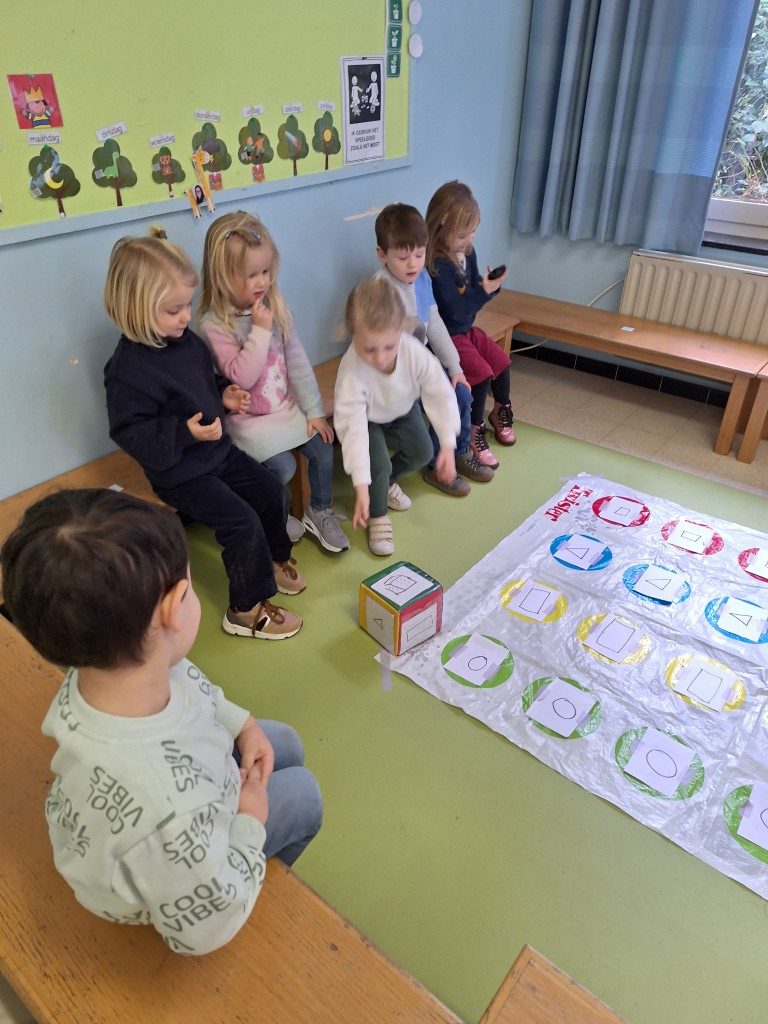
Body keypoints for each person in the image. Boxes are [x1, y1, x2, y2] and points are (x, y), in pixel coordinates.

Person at [0, 489, 323, 955]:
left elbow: (192, 686)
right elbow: (202, 933)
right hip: (175, 863)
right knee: (306, 795)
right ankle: (258, 885)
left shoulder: (105, 661)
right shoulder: (168, 810)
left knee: (283, 742)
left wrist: (244, 724)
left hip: (173, 793)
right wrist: (250, 824)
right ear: (174, 608)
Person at [103, 227, 305, 641]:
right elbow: (129, 431)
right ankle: (245, 609)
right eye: (173, 309)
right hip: (181, 473)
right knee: (242, 523)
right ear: (136, 308)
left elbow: (202, 384)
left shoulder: (185, 342)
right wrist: (184, 432)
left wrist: (223, 394)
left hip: (218, 453)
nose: (185, 317)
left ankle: (270, 560)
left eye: (187, 305)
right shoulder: (127, 370)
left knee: (271, 491)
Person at [198, 211, 347, 554]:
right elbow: (241, 376)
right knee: (282, 468)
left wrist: (314, 411)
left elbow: (297, 361)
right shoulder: (213, 325)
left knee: (323, 446)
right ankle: (271, 516)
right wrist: (260, 331)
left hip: (283, 409)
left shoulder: (275, 306)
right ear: (222, 276)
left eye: (265, 271)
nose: (262, 282)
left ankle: (319, 511)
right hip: (247, 421)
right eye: (251, 275)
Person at [334, 274, 459, 556]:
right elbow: (352, 430)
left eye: (388, 347)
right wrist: (362, 487)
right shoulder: (352, 371)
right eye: (369, 349)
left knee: (423, 452)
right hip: (366, 418)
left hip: (401, 408)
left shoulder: (413, 351)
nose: (380, 358)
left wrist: (448, 445)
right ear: (354, 336)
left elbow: (440, 393)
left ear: (401, 330)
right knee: (377, 466)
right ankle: (378, 514)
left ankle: (385, 483)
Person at [374, 202, 494, 495]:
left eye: (419, 254)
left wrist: (454, 368)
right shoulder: (379, 290)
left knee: (461, 392)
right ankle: (422, 468)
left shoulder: (422, 278)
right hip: (392, 373)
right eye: (403, 257)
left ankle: (454, 456)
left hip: (420, 364)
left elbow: (434, 322)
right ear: (382, 255)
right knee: (422, 437)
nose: (413, 264)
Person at [426, 180, 516, 470]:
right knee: (480, 373)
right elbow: (455, 309)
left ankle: (499, 411)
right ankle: (475, 432)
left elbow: (471, 291)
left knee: (501, 361)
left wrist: (488, 286)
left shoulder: (467, 252)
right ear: (441, 226)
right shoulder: (436, 264)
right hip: (448, 335)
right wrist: (483, 291)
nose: (469, 240)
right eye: (462, 234)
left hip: (466, 329)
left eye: (473, 232)